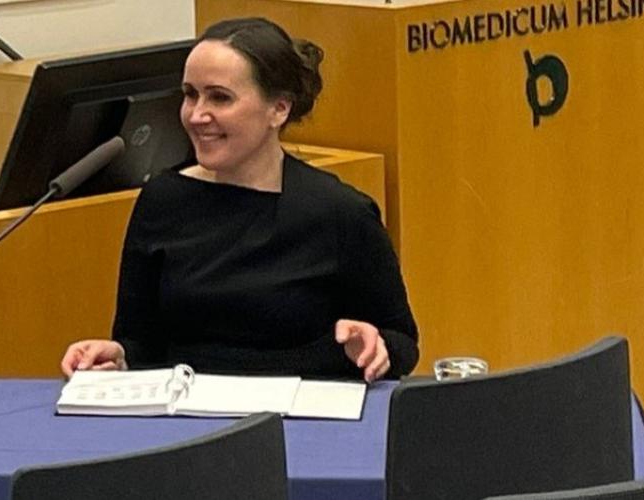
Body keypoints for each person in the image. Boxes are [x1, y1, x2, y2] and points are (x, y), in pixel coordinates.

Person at [61, 17, 418, 382]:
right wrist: (118, 358)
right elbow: (140, 342)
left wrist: (375, 346)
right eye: (190, 94)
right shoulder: (162, 200)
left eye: (220, 97)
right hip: (185, 410)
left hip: (302, 408)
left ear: (279, 109)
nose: (197, 115)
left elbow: (403, 343)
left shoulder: (340, 212)